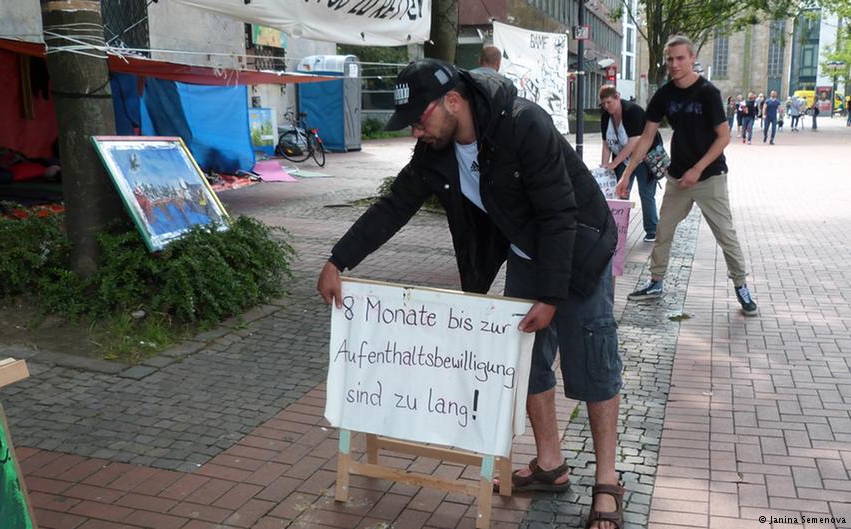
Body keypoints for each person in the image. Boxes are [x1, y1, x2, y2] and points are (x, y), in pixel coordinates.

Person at [316, 59, 625, 529]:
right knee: (526, 363)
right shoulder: (436, 151)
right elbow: (394, 205)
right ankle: (550, 464)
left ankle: (607, 481)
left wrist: (551, 296)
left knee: (592, 364)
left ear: (453, 102)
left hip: (578, 248)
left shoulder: (524, 124)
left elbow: (560, 214)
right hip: (526, 254)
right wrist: (338, 260)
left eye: (421, 119)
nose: (417, 131)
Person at [618, 35, 758, 317]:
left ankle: (742, 286)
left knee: (726, 235)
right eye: (670, 59)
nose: (674, 64)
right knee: (663, 230)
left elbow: (723, 137)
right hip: (678, 178)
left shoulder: (708, 93)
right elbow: (646, 138)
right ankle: (656, 282)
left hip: (710, 177)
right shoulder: (665, 94)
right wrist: (626, 175)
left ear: (693, 58)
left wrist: (698, 169)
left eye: (680, 58)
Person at [600, 85, 661, 241]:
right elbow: (606, 143)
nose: (606, 107)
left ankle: (652, 230)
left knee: (646, 194)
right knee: (620, 193)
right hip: (623, 158)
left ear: (617, 97)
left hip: (644, 157)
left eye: (609, 102)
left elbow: (634, 141)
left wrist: (614, 163)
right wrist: (604, 166)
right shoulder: (606, 116)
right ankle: (618, 230)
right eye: (603, 104)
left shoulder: (632, 111)